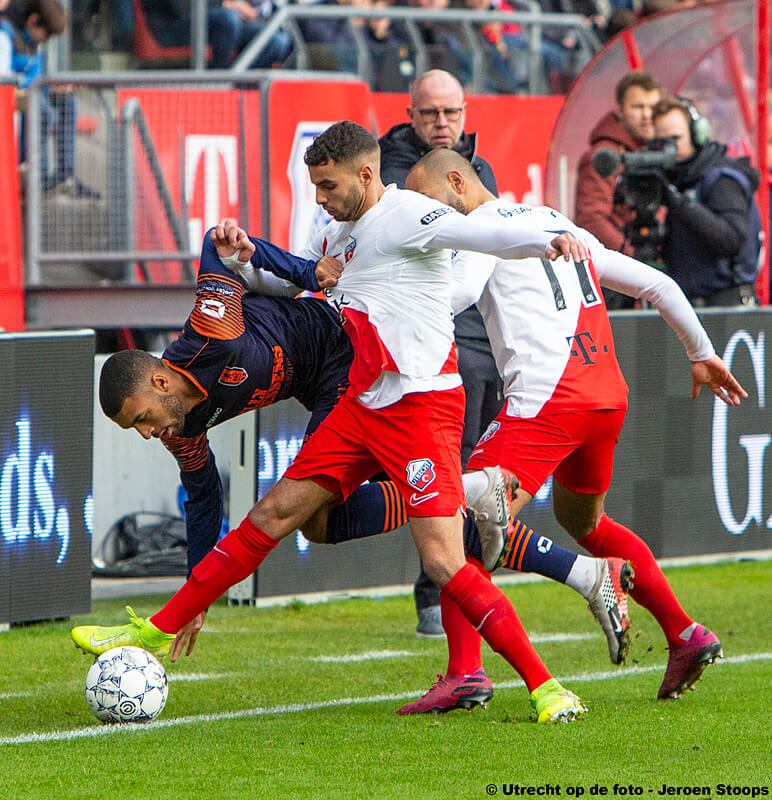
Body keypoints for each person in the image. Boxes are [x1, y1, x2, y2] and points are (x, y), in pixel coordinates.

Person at [73, 119, 598, 724]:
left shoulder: (404, 215)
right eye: (314, 186)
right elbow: (315, 274)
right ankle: (155, 631)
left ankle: (546, 685)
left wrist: (549, 242)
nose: (318, 198)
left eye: (326, 185)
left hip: (420, 406)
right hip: (359, 401)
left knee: (444, 564)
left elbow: (476, 228)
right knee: (276, 515)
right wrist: (275, 259)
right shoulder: (341, 235)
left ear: (366, 174)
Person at [400, 147, 745, 708]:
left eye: (427, 203)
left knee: (455, 522)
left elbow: (457, 294)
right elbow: (658, 285)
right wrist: (700, 351)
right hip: (605, 395)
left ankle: (466, 671)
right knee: (582, 520)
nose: (426, 218)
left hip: (547, 402)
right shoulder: (554, 220)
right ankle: (684, 633)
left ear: (458, 183)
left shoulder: (480, 229)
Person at [97, 225, 514, 662]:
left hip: (342, 351)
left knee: (308, 514)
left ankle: (467, 496)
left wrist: (309, 271)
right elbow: (203, 496)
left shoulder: (210, 331)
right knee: (327, 522)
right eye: (136, 429)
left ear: (160, 380)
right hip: (318, 387)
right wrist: (195, 594)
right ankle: (478, 497)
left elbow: (214, 246)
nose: (148, 434)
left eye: (143, 418)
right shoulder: (179, 428)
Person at [379, 69, 503, 638]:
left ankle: (465, 583)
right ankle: (435, 589)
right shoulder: (383, 169)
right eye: (430, 113)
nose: (442, 123)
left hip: (474, 343)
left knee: (471, 470)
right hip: (409, 338)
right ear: (411, 114)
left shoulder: (481, 171)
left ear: (466, 111)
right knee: (433, 471)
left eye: (450, 112)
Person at [652, 95, 761, 307]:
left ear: (697, 135)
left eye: (676, 139)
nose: (669, 149)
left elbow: (732, 239)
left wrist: (681, 204)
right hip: (694, 305)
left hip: (726, 308)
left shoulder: (721, 178)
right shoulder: (680, 179)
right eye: (661, 142)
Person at [575, 70, 662, 308]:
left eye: (653, 108)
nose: (647, 116)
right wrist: (634, 260)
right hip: (617, 283)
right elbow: (590, 219)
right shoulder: (603, 157)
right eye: (638, 107)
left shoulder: (654, 152)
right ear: (620, 110)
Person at [0, 0, 99, 198]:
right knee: (43, 110)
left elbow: (36, 77)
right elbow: (6, 78)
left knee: (66, 101)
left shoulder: (35, 43)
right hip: (15, 101)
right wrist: (35, 86)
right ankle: (39, 175)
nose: (46, 41)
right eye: (46, 34)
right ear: (33, 21)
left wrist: (53, 86)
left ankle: (65, 174)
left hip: (32, 92)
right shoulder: (6, 32)